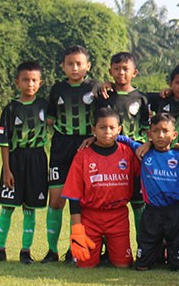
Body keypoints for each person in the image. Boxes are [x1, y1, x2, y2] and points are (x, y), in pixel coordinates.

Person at [0, 60, 49, 264]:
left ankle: (25, 252)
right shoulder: (10, 109)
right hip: (15, 159)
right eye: (25, 80)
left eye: (34, 80)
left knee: (30, 209)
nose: (30, 84)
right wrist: (7, 170)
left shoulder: (45, 106)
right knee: (7, 207)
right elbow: (4, 142)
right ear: (17, 83)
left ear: (40, 82)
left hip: (37, 159)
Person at [61, 107, 139, 269]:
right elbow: (73, 195)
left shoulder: (128, 153)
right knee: (85, 265)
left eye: (112, 128)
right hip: (90, 217)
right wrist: (77, 231)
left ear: (119, 129)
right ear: (93, 130)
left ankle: (112, 251)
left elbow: (149, 161)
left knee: (123, 265)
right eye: (102, 127)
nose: (107, 132)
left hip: (118, 216)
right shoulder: (83, 155)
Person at [43, 45, 97, 263]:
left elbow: (105, 118)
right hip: (60, 148)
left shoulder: (96, 88)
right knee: (56, 201)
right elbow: (49, 118)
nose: (75, 68)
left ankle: (73, 249)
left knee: (80, 202)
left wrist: (94, 137)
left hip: (85, 146)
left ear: (88, 66)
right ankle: (51, 250)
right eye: (70, 64)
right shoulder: (56, 89)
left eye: (79, 63)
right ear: (63, 66)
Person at [127, 113, 179, 271]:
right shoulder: (144, 152)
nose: (160, 135)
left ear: (174, 134)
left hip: (175, 210)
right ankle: (152, 255)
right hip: (152, 210)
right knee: (143, 263)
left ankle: (175, 257)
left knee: (178, 265)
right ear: (149, 134)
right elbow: (124, 139)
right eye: (155, 131)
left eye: (165, 131)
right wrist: (94, 138)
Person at [97, 51, 150, 230]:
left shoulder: (141, 98)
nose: (121, 73)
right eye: (117, 69)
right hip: (108, 155)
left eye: (125, 69)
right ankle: (107, 250)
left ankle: (143, 248)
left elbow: (146, 127)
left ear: (134, 73)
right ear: (110, 71)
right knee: (109, 203)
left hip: (134, 155)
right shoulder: (104, 95)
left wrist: (148, 144)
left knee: (138, 202)